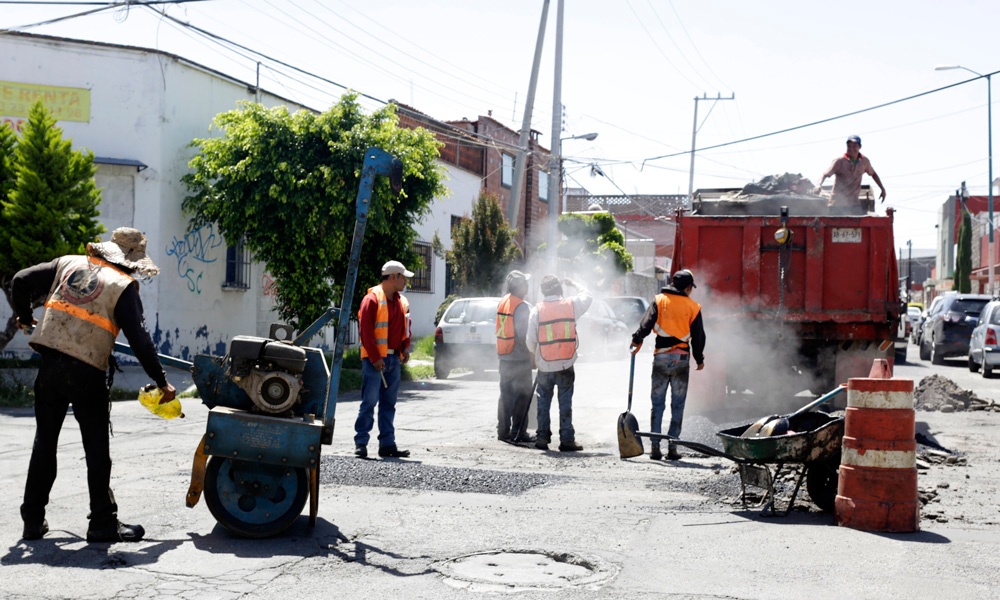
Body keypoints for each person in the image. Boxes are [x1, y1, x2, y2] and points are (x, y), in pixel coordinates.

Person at [12, 227, 177, 542]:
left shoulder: (67, 264)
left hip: (49, 367)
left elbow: (20, 279)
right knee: (96, 449)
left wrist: (24, 316)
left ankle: (33, 521)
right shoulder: (123, 287)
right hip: (86, 373)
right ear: (132, 261)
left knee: (44, 444)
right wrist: (162, 382)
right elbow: (141, 341)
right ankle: (102, 522)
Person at [629, 269, 705, 461]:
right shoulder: (693, 307)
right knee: (677, 405)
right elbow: (698, 336)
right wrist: (699, 358)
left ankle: (655, 447)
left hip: (661, 358)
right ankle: (673, 447)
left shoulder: (659, 300)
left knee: (657, 404)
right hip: (681, 360)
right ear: (688, 287)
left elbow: (646, 324)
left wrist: (636, 340)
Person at [526, 275, 592, 452]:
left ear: (542, 292)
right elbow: (588, 295)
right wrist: (575, 282)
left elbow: (530, 341)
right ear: (559, 290)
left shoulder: (537, 310)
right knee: (565, 403)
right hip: (565, 364)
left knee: (543, 402)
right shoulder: (571, 305)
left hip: (545, 365)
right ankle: (567, 440)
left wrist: (537, 355)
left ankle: (542, 438)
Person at [354, 260, 412, 459]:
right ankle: (361, 443)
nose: (406, 281)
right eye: (403, 277)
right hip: (374, 361)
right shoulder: (371, 299)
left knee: (389, 403)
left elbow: (406, 328)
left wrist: (405, 348)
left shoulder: (402, 302)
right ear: (394, 277)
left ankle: (387, 444)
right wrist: (376, 357)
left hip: (394, 359)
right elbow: (366, 332)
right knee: (369, 402)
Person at [495, 270, 533, 443]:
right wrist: (532, 355)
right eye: (526, 283)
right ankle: (519, 432)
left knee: (505, 395)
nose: (528, 286)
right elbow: (524, 335)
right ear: (521, 287)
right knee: (522, 396)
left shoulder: (504, 302)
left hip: (504, 356)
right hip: (519, 358)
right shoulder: (522, 306)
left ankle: (503, 431)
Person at [813, 135, 886, 215]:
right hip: (837, 204)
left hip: (854, 204)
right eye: (849, 146)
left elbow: (873, 174)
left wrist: (882, 189)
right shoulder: (840, 161)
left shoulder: (864, 161)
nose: (851, 149)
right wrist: (819, 185)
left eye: (854, 146)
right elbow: (825, 174)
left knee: (856, 225)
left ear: (860, 147)